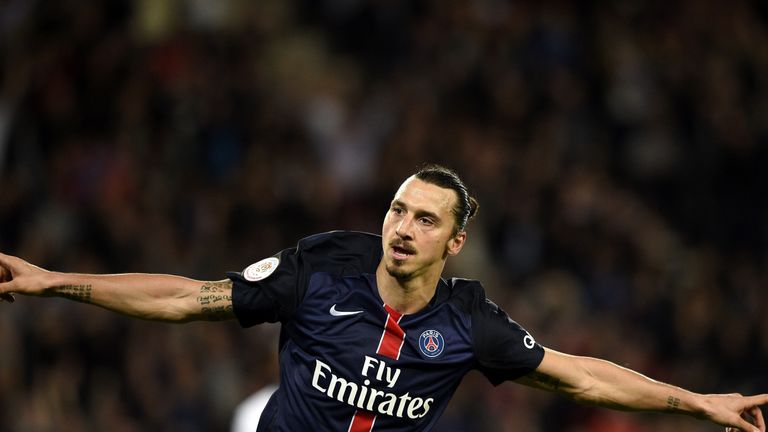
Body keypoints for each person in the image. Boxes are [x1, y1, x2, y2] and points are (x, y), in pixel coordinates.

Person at [0, 164, 766, 432]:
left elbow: (583, 375)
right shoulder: (322, 266)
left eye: (425, 219)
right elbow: (187, 298)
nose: (401, 227)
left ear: (453, 242)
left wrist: (697, 402)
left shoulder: (470, 321)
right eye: (398, 209)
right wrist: (50, 280)